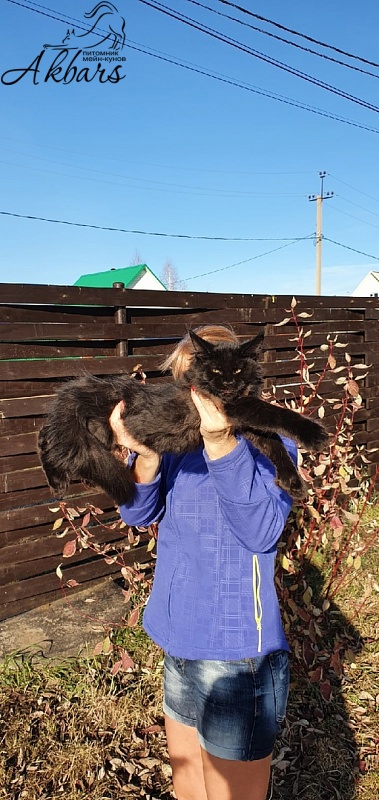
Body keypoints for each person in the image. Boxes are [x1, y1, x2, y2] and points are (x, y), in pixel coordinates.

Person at [109, 324, 296, 800]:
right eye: (184, 384)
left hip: (235, 653)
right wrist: (146, 456)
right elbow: (136, 513)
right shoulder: (176, 442)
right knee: (187, 782)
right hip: (178, 637)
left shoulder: (270, 442)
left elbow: (262, 532)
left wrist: (220, 444)